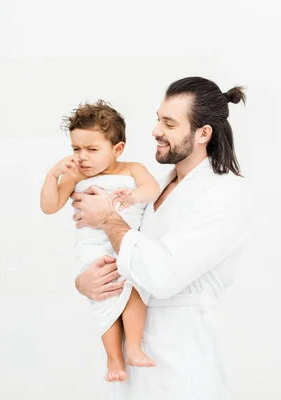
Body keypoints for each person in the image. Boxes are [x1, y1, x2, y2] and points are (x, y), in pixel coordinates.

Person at [71, 77, 249, 399]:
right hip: (134, 369)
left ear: (202, 134)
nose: (155, 130)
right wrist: (85, 283)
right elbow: (125, 257)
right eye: (158, 118)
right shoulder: (153, 189)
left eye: (168, 123)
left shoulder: (224, 194)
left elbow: (163, 273)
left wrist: (108, 218)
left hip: (184, 365)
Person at [39, 100, 160, 382]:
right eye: (75, 149)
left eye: (92, 149)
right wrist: (52, 175)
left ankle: (132, 346)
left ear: (118, 149)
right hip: (93, 249)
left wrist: (135, 196)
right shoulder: (75, 175)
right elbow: (50, 205)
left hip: (126, 242)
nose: (82, 157)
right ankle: (113, 359)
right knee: (104, 299)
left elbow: (152, 188)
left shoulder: (133, 169)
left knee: (135, 289)